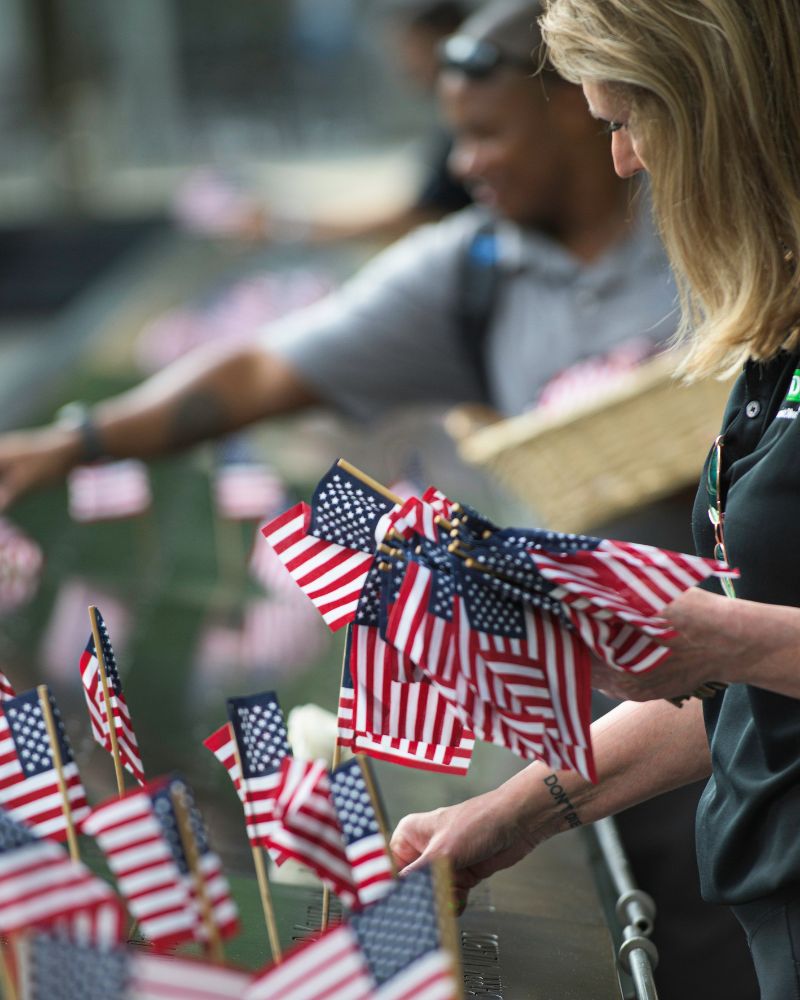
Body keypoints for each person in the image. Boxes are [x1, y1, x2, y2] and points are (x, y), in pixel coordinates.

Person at [0, 3, 751, 996]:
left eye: (485, 132)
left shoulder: (723, 240)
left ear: (586, 111)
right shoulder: (469, 272)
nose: (462, 164)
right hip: (629, 712)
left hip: (730, 708)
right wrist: (70, 443)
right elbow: (261, 374)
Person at [389, 2, 800, 996]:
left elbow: (750, 653)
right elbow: (750, 693)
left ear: (716, 113)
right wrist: (513, 812)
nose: (621, 161)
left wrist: (725, 636)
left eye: (623, 121)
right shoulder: (776, 327)